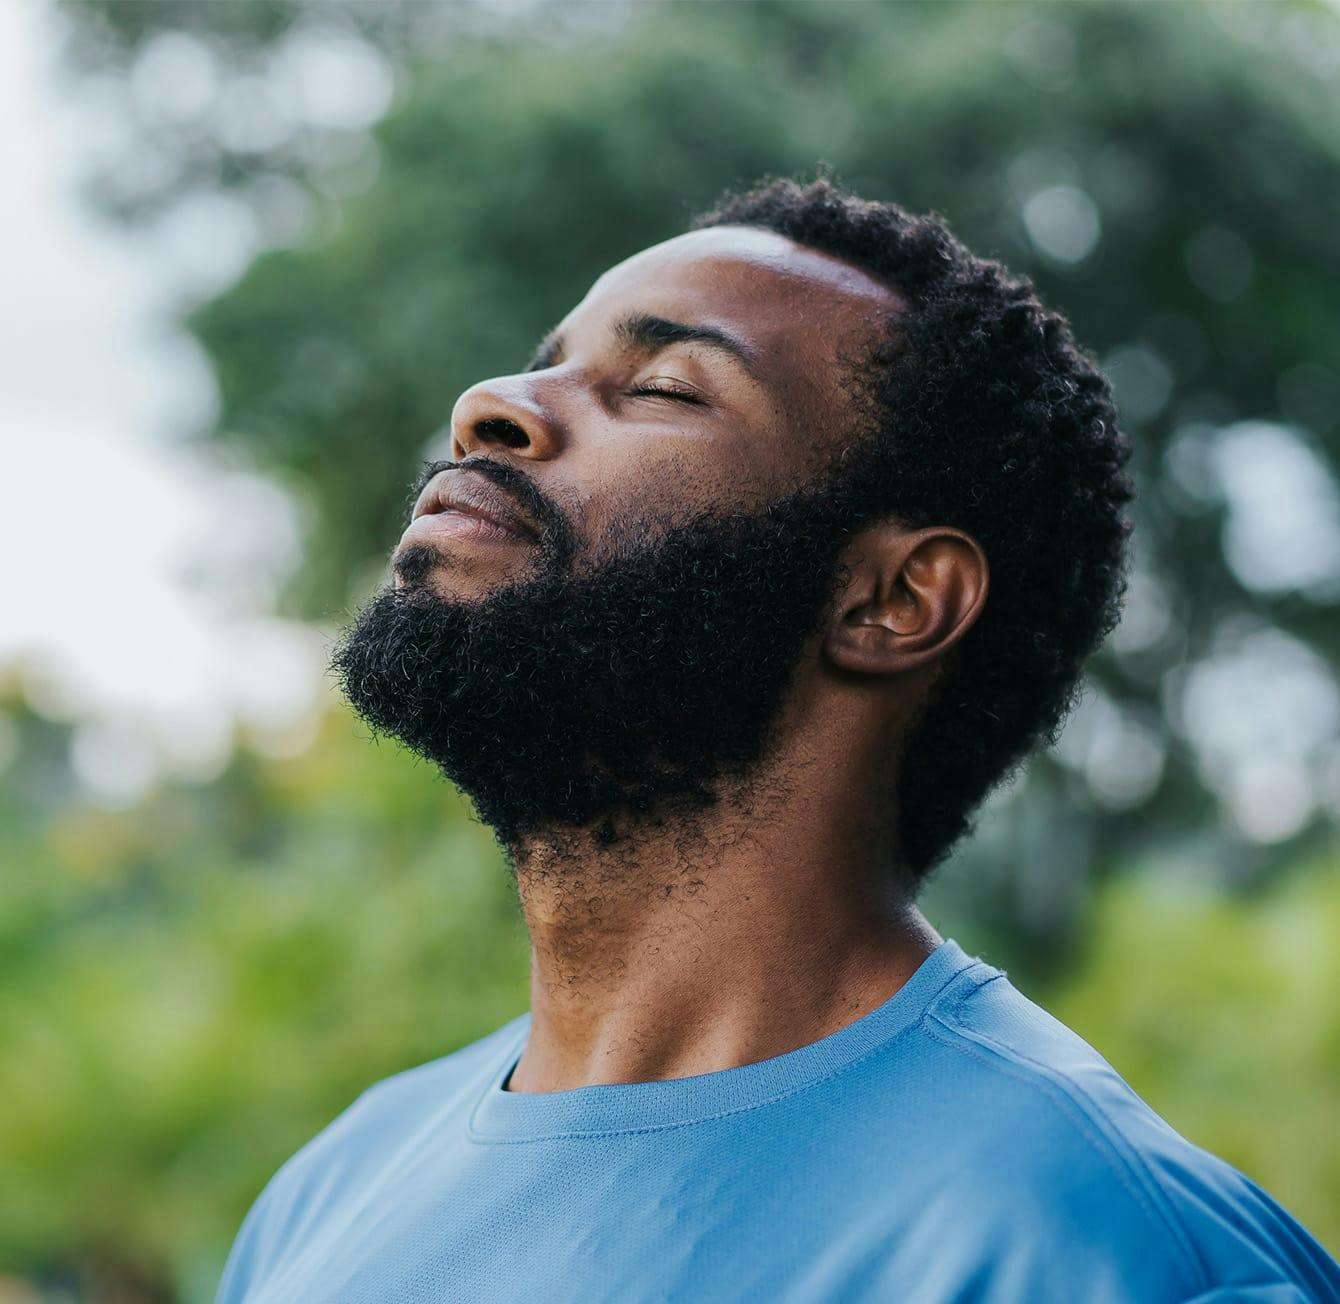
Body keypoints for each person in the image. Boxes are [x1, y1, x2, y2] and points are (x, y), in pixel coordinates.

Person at [216, 174, 1340, 1303]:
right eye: (546, 355)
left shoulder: (1103, 1255)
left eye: (661, 384)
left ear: (892, 600)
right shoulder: (331, 1189)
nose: (491, 402)